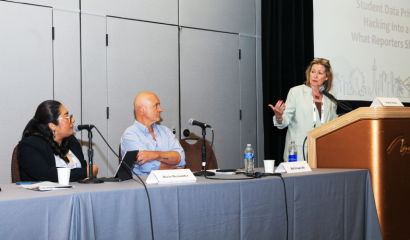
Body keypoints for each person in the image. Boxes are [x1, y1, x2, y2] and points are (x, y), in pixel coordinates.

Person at [269, 58, 338, 162]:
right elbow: (285, 119)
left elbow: (334, 122)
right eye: (313, 71)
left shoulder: (331, 97)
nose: (315, 75)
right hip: (298, 152)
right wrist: (279, 117)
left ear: (326, 77)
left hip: (323, 152)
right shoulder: (296, 92)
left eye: (320, 73)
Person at [18, 100, 98, 182]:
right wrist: (86, 172)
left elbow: (83, 173)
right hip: (45, 194)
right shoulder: (29, 145)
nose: (72, 120)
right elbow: (47, 175)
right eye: (66, 117)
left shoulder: (72, 141)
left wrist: (87, 173)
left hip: (77, 193)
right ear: (52, 126)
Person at [121, 92, 186, 175]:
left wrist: (155, 155)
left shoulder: (165, 131)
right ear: (142, 109)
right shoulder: (130, 135)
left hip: (169, 184)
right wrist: (173, 167)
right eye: (156, 105)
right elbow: (147, 166)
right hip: (144, 186)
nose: (160, 109)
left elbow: (180, 159)